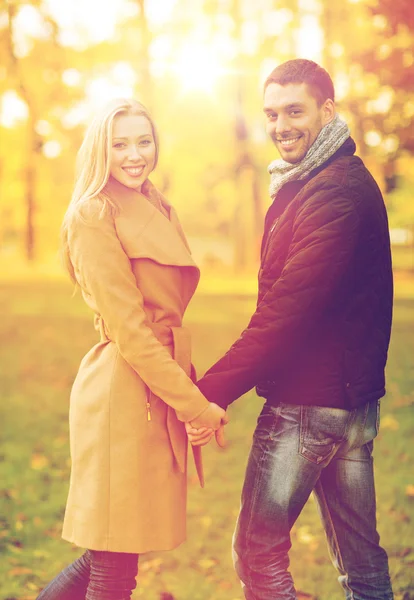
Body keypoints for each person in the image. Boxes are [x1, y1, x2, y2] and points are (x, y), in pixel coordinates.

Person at [187, 59, 394, 600]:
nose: (282, 125)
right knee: (360, 560)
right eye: (272, 113)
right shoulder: (321, 182)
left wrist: (209, 393)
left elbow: (286, 311)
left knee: (257, 555)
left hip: (310, 405)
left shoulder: (333, 192)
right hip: (347, 405)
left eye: (295, 110)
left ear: (328, 110)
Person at [36, 98, 227, 600]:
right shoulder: (93, 214)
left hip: (151, 384)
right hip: (125, 393)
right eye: (120, 144)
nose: (134, 154)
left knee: (114, 549)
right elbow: (130, 330)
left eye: (144, 141)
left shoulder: (157, 203)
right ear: (101, 148)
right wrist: (195, 406)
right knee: (115, 563)